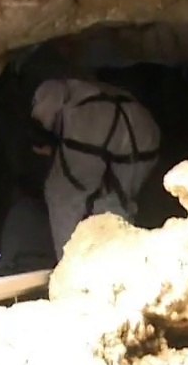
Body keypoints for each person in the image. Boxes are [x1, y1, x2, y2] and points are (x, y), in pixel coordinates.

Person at [30, 77, 161, 258]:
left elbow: (47, 120)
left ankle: (68, 265)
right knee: (117, 198)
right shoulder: (84, 90)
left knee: (62, 195)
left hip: (106, 130)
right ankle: (126, 250)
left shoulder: (70, 109)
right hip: (145, 136)